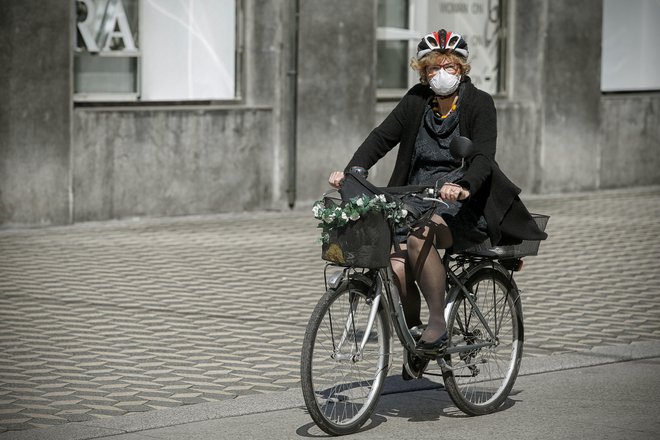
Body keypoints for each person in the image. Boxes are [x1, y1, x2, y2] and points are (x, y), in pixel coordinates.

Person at [328, 29, 512, 360]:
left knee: (419, 239)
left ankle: (438, 323)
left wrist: (464, 185)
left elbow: (484, 156)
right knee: (396, 267)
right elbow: (381, 138)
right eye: (432, 68)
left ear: (461, 69)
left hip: (464, 202)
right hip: (416, 197)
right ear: (423, 72)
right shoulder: (416, 100)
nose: (440, 74)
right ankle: (417, 337)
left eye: (448, 67)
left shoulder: (480, 103)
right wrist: (352, 171)